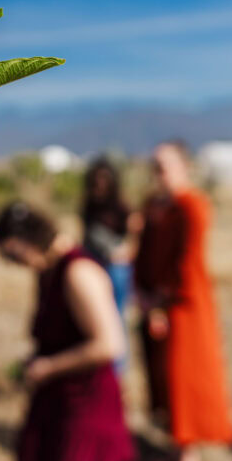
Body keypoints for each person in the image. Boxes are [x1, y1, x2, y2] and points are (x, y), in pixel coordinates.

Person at [0, 202, 138, 461]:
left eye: (13, 255)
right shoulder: (48, 269)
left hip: (87, 407)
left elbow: (109, 344)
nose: (15, 263)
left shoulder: (78, 272)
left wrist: (48, 367)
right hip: (58, 402)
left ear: (28, 241)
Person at [134, 142, 232, 461]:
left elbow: (188, 260)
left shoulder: (192, 205)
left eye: (166, 165)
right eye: (155, 164)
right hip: (154, 305)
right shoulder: (153, 205)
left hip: (183, 308)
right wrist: (143, 296)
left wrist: (162, 302)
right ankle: (173, 449)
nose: (159, 171)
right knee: (160, 379)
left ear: (184, 166)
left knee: (183, 380)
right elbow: (143, 251)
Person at [81, 157, 142, 375]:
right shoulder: (89, 205)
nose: (100, 185)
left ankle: (116, 369)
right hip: (95, 265)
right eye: (96, 181)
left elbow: (135, 234)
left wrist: (126, 254)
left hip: (116, 269)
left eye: (104, 180)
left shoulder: (121, 206)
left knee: (116, 316)